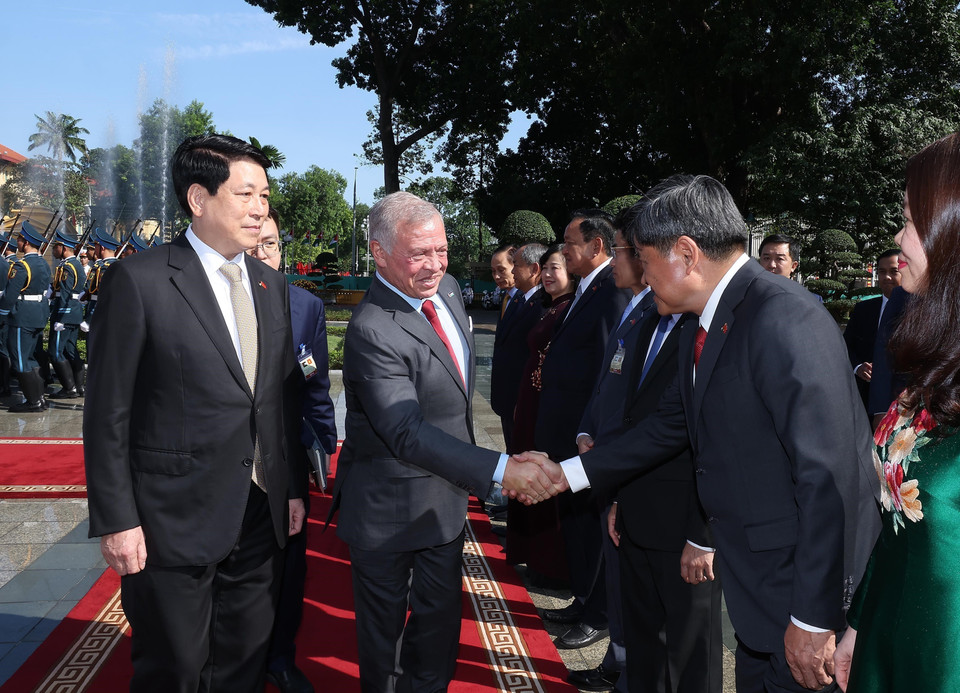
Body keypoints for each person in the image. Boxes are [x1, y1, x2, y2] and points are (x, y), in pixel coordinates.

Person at [518, 174, 880, 692]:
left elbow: (831, 478)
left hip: (796, 597)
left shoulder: (784, 317)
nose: (642, 275)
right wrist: (566, 475)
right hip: (758, 595)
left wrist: (815, 616)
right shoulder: (703, 321)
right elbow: (669, 427)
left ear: (686, 254)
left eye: (645, 258)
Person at [83, 133, 308, 692]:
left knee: (242, 663)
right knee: (175, 670)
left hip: (260, 512)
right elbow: (108, 413)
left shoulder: (270, 284)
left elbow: (278, 400)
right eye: (246, 194)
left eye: (265, 196)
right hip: (171, 520)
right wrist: (116, 520)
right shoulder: (141, 281)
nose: (260, 209)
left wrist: (289, 488)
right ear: (198, 198)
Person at [330, 191, 556, 693]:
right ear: (379, 252)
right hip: (387, 514)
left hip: (445, 506)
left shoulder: (448, 289)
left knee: (438, 633)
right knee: (385, 649)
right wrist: (500, 469)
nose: (434, 265)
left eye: (441, 250)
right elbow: (405, 431)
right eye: (418, 254)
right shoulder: (372, 328)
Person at [833, 132, 960, 692]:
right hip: (890, 630)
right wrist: (860, 621)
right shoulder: (938, 356)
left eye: (910, 219)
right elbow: (898, 525)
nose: (898, 236)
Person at [249, 208, 337, 693]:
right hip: (230, 460)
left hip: (286, 459)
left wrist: (323, 441)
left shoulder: (305, 306)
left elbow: (314, 382)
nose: (264, 253)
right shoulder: (216, 299)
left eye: (272, 244)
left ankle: (280, 657)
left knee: (289, 564)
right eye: (255, 243)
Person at [536, 210, 631, 648]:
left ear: (597, 246)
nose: (564, 250)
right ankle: (583, 598)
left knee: (594, 530)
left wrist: (592, 430)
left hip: (587, 436)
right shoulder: (587, 288)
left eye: (570, 243)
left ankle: (598, 614)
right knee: (576, 524)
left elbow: (608, 371)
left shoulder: (612, 290)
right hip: (569, 432)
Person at [507, 245, 574, 587]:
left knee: (543, 483)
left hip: (548, 408)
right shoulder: (549, 308)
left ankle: (550, 567)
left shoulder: (570, 309)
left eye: (555, 268)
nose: (547, 275)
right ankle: (530, 555)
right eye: (544, 268)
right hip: (530, 404)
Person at [491, 242, 547, 448]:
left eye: (516, 265)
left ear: (534, 269)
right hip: (508, 399)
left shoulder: (543, 305)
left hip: (521, 402)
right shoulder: (518, 300)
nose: (513, 271)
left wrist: (524, 402)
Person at [0, 221, 52, 413]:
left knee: (20, 359)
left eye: (20, 240)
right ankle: (39, 398)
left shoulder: (22, 266)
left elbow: (10, 295)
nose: (18, 243)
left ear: (26, 243)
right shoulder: (43, 263)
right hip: (38, 314)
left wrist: (2, 314)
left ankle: (33, 402)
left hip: (23, 316)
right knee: (30, 358)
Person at [843, 250, 901, 411]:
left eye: (894, 271)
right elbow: (846, 345)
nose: (887, 277)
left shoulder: (921, 310)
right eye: (882, 272)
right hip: (864, 399)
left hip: (903, 401)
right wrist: (858, 367)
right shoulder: (863, 309)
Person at [47, 228, 86, 399]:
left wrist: (61, 318)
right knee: (70, 350)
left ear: (63, 248)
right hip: (73, 312)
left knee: (55, 352)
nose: (53, 250)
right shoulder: (73, 265)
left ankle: (69, 388)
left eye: (55, 247)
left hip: (65, 312)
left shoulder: (68, 267)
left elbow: (65, 293)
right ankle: (79, 387)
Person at [490, 244, 518, 319]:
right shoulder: (506, 296)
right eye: (493, 271)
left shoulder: (526, 298)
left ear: (515, 266)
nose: (496, 276)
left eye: (501, 270)